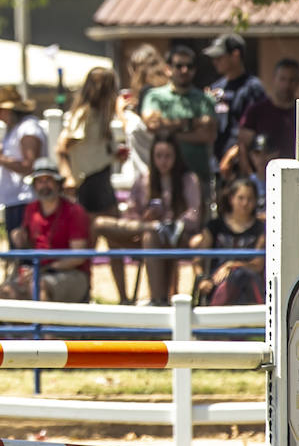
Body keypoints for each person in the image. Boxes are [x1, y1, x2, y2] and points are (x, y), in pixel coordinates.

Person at [93, 136, 201, 305]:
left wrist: (172, 223)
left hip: (177, 238)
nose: (163, 161)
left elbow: (194, 214)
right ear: (152, 156)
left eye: (168, 156)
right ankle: (125, 298)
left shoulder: (188, 180)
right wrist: (146, 218)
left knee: (151, 236)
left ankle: (158, 301)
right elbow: (130, 215)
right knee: (101, 224)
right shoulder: (144, 179)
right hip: (142, 233)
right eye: (159, 156)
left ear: (176, 157)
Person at [141, 45, 217, 221]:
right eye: (179, 66)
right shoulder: (155, 96)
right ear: (168, 69)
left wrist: (171, 132)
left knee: (196, 231)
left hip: (198, 174)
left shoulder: (204, 100)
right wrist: (193, 123)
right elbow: (152, 124)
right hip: (163, 180)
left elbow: (208, 134)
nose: (184, 70)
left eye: (189, 66)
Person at [4, 159, 91, 303]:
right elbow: (26, 242)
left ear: (58, 183)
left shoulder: (74, 211)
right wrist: (19, 236)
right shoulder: (31, 209)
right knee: (3, 293)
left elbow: (78, 257)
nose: (44, 185)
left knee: (38, 287)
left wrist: (42, 269)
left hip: (72, 274)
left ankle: (43, 325)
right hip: (37, 271)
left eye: (48, 180)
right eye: (40, 181)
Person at [0, 85, 44, 238]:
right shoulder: (17, 129)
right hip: (17, 200)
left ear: (8, 110)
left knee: (23, 250)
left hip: (24, 200)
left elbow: (29, 165)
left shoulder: (28, 129)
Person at [57, 67, 123, 215]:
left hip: (101, 175)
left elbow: (94, 150)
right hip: (89, 179)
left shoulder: (101, 116)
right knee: (97, 225)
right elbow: (62, 147)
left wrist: (115, 156)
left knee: (108, 223)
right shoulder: (85, 115)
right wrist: (67, 176)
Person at [190, 177, 265, 305]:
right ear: (231, 199)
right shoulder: (214, 226)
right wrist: (203, 279)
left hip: (248, 285)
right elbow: (198, 260)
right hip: (217, 283)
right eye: (241, 198)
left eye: (250, 199)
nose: (245, 203)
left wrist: (232, 265)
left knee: (241, 275)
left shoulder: (260, 229)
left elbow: (258, 265)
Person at [203, 33, 265, 163]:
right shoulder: (216, 87)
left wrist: (233, 155)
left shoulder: (252, 87)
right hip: (217, 162)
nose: (215, 62)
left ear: (235, 55)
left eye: (219, 57)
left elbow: (254, 129)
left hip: (242, 163)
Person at [236, 58, 299, 167]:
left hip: (296, 174)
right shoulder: (256, 111)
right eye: (282, 79)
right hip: (263, 176)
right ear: (274, 79)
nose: (286, 85)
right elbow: (243, 145)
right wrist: (251, 177)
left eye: (292, 80)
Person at [120, 44, 171, 182]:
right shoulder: (168, 88)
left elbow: (141, 129)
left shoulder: (148, 93)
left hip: (147, 170)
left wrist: (121, 113)